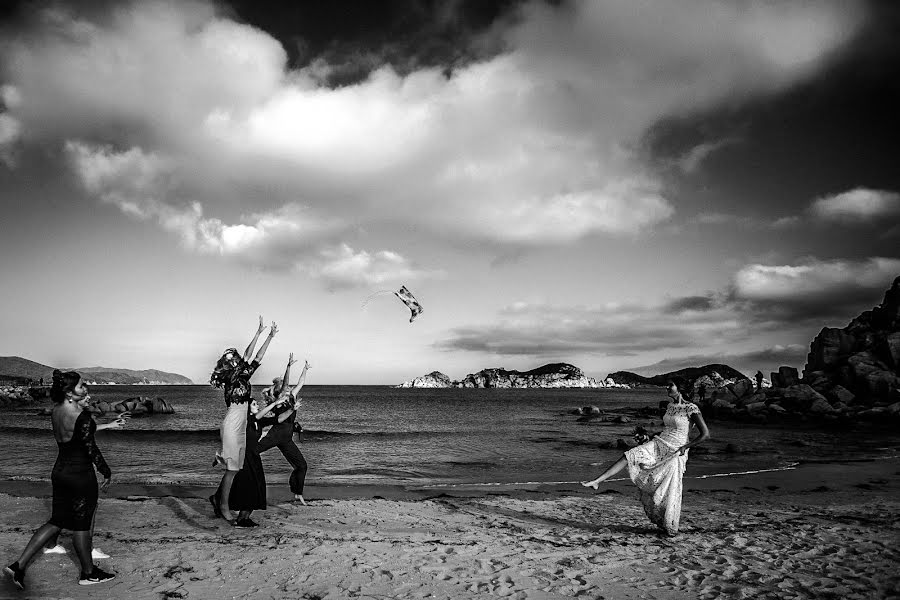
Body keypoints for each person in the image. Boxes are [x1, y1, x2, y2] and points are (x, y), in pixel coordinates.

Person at [5, 370, 116, 590]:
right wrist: (106, 470)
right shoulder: (81, 416)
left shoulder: (56, 411)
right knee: (82, 526)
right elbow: (90, 448)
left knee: (57, 520)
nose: (86, 390)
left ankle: (18, 566)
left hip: (59, 472)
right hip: (80, 476)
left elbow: (71, 439)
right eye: (81, 387)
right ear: (69, 392)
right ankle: (88, 573)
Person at [581, 377, 710, 536]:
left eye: (671, 385)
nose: (667, 387)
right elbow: (667, 429)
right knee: (629, 455)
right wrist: (647, 437)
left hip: (676, 451)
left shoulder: (691, 408)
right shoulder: (669, 406)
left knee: (667, 489)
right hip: (659, 443)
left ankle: (669, 526)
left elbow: (705, 434)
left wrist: (685, 447)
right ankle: (597, 481)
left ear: (680, 387)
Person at [209, 317, 277, 522]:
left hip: (241, 425)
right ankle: (223, 506)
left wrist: (270, 336)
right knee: (232, 469)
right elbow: (248, 355)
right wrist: (257, 333)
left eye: (234, 357)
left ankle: (220, 500)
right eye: (230, 358)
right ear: (226, 363)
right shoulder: (230, 376)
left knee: (236, 469)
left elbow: (257, 357)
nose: (234, 360)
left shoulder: (244, 375)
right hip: (233, 422)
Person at [43, 411, 129, 559]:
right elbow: (91, 448)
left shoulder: (59, 412)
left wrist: (109, 424)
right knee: (90, 508)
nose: (87, 397)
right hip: (79, 469)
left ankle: (50, 545)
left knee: (61, 512)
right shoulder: (78, 414)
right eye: (83, 391)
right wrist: (105, 470)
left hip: (61, 468)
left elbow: (81, 431)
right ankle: (88, 550)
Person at [258, 354, 310, 504]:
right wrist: (288, 367)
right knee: (253, 451)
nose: (288, 387)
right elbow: (286, 382)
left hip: (286, 439)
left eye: (287, 387)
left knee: (302, 465)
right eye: (285, 387)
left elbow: (301, 382)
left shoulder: (291, 396)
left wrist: (305, 369)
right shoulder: (280, 398)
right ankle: (237, 462)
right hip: (275, 435)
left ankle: (297, 492)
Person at [227, 393, 285, 527]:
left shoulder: (258, 421)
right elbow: (256, 416)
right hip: (244, 457)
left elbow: (279, 419)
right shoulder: (246, 420)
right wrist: (275, 403)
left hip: (254, 456)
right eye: (254, 404)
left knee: (257, 486)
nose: (257, 405)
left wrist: (292, 409)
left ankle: (246, 517)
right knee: (248, 487)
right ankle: (241, 518)